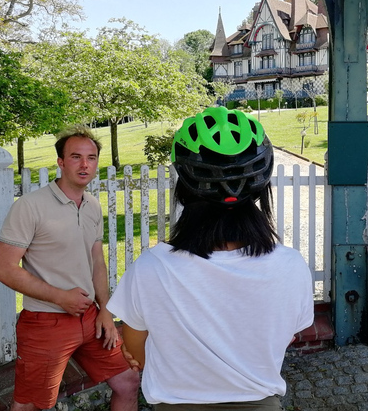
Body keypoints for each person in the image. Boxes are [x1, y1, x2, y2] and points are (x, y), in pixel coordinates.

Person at [107, 106, 314, 410]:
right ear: (259, 189)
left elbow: (135, 352)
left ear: (185, 190)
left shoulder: (150, 269)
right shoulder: (291, 266)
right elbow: (285, 336)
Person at [0, 126, 139, 411]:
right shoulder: (30, 206)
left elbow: (96, 260)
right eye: (76, 157)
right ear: (60, 162)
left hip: (90, 317)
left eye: (92, 157)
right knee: (30, 405)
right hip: (45, 322)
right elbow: (4, 269)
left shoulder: (93, 206)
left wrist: (106, 311)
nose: (85, 164)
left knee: (128, 380)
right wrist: (60, 297)